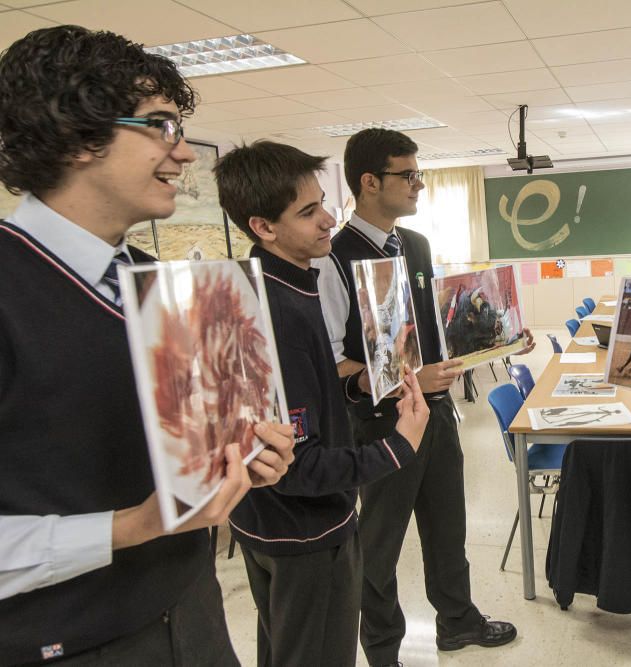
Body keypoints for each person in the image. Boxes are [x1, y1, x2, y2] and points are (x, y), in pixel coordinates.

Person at [0, 26, 295, 665]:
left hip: (192, 612)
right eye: (161, 125)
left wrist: (246, 453)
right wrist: (130, 527)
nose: (185, 153)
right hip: (70, 643)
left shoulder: (158, 286)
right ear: (78, 133)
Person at [213, 140, 430, 667]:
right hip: (305, 536)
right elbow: (299, 465)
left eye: (323, 203)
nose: (329, 219)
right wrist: (399, 447)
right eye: (308, 212)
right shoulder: (280, 310)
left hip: (265, 528)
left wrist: (360, 386)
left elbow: (304, 401)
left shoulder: (266, 287)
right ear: (263, 226)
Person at [316, 128, 524, 666]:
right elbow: (332, 360)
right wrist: (403, 380)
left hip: (436, 413)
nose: (419, 186)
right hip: (381, 424)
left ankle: (457, 621)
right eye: (407, 176)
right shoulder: (334, 260)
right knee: (379, 548)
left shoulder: (417, 246)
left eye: (419, 174)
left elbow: (428, 330)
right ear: (368, 182)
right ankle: (384, 650)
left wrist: (484, 342)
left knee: (447, 525)